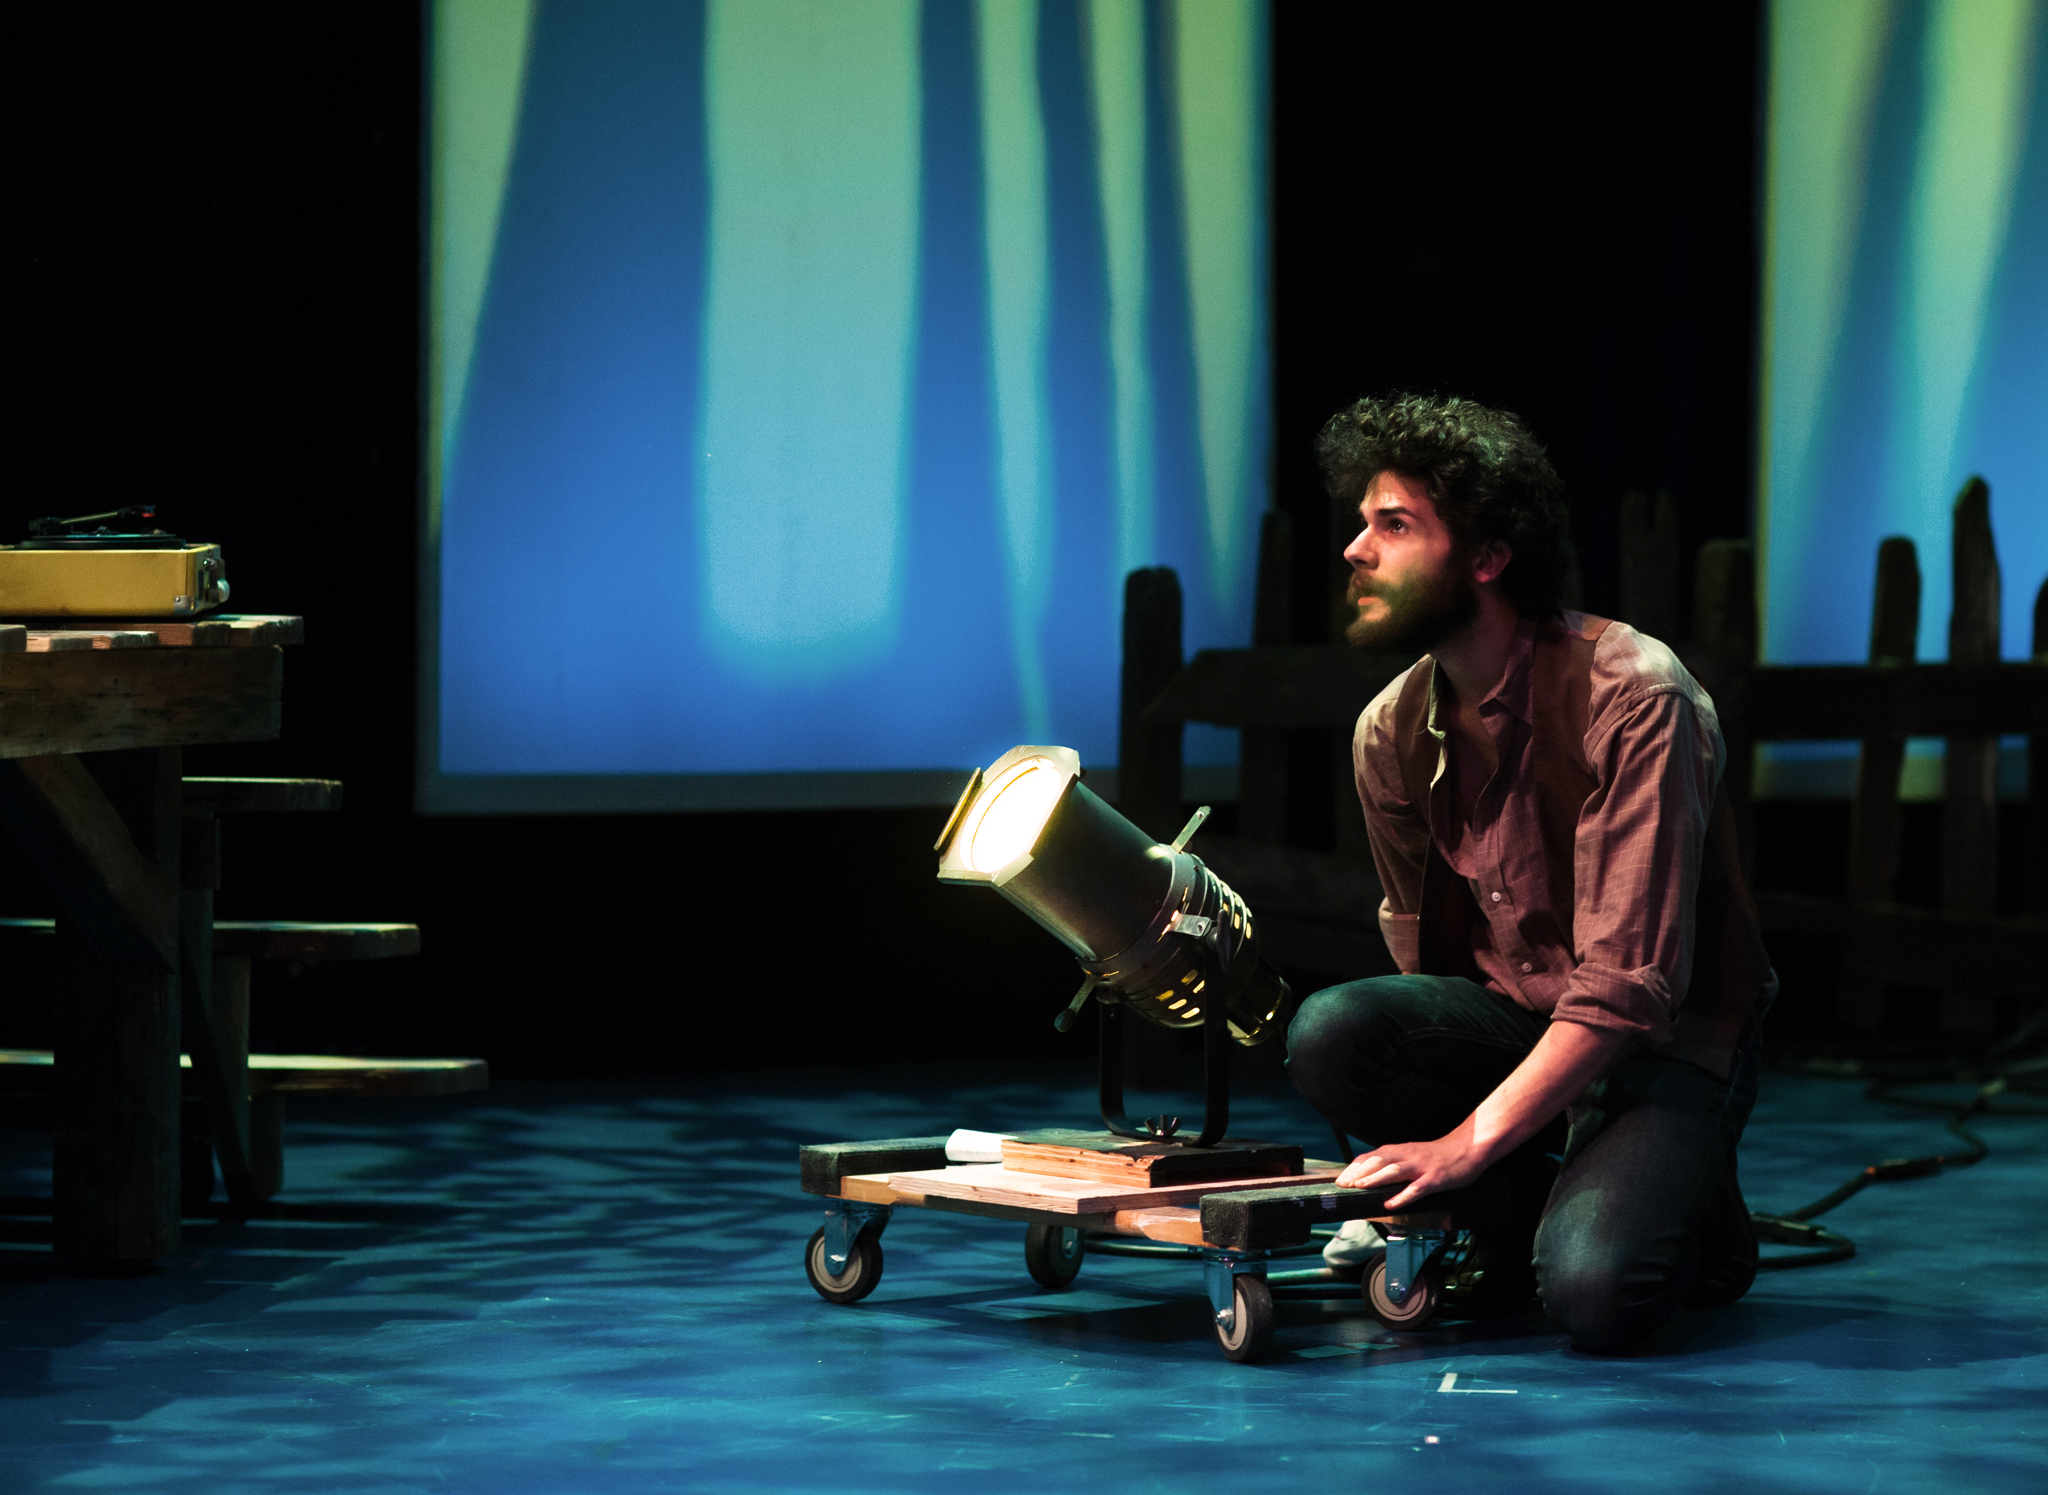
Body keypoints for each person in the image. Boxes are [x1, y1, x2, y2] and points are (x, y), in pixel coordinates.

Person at [1286, 392, 1776, 1353]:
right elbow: (1424, 960)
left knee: (1595, 1293)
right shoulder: (1389, 730)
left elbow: (1630, 991)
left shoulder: (1635, 693)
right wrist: (1455, 1150)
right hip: (1516, 1022)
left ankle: (1701, 1221)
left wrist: (1464, 1145)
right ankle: (1525, 1202)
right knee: (1333, 1031)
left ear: (1487, 555)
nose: (1355, 549)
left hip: (1668, 1037)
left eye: (1394, 524)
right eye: (1362, 522)